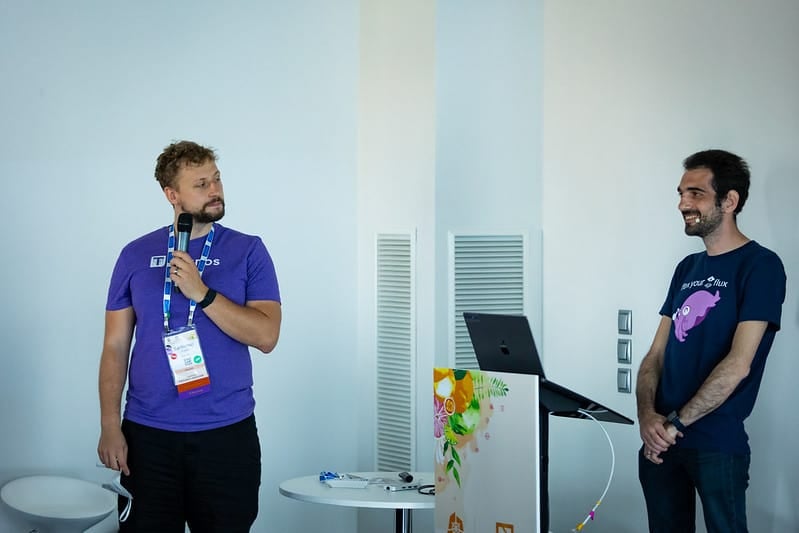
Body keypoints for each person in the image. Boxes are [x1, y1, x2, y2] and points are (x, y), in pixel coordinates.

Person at [97, 140, 282, 532]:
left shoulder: (248, 251)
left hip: (226, 436)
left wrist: (204, 293)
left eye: (216, 179)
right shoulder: (135, 255)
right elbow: (115, 346)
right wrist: (110, 425)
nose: (214, 190)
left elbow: (267, 335)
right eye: (200, 184)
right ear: (172, 194)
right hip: (147, 436)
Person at [635, 149, 786, 533]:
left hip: (717, 444)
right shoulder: (687, 268)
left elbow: (739, 363)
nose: (683, 203)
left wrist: (674, 425)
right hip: (661, 445)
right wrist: (648, 417)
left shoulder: (761, 265)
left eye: (696, 193)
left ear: (730, 201)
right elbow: (655, 356)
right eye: (682, 193)